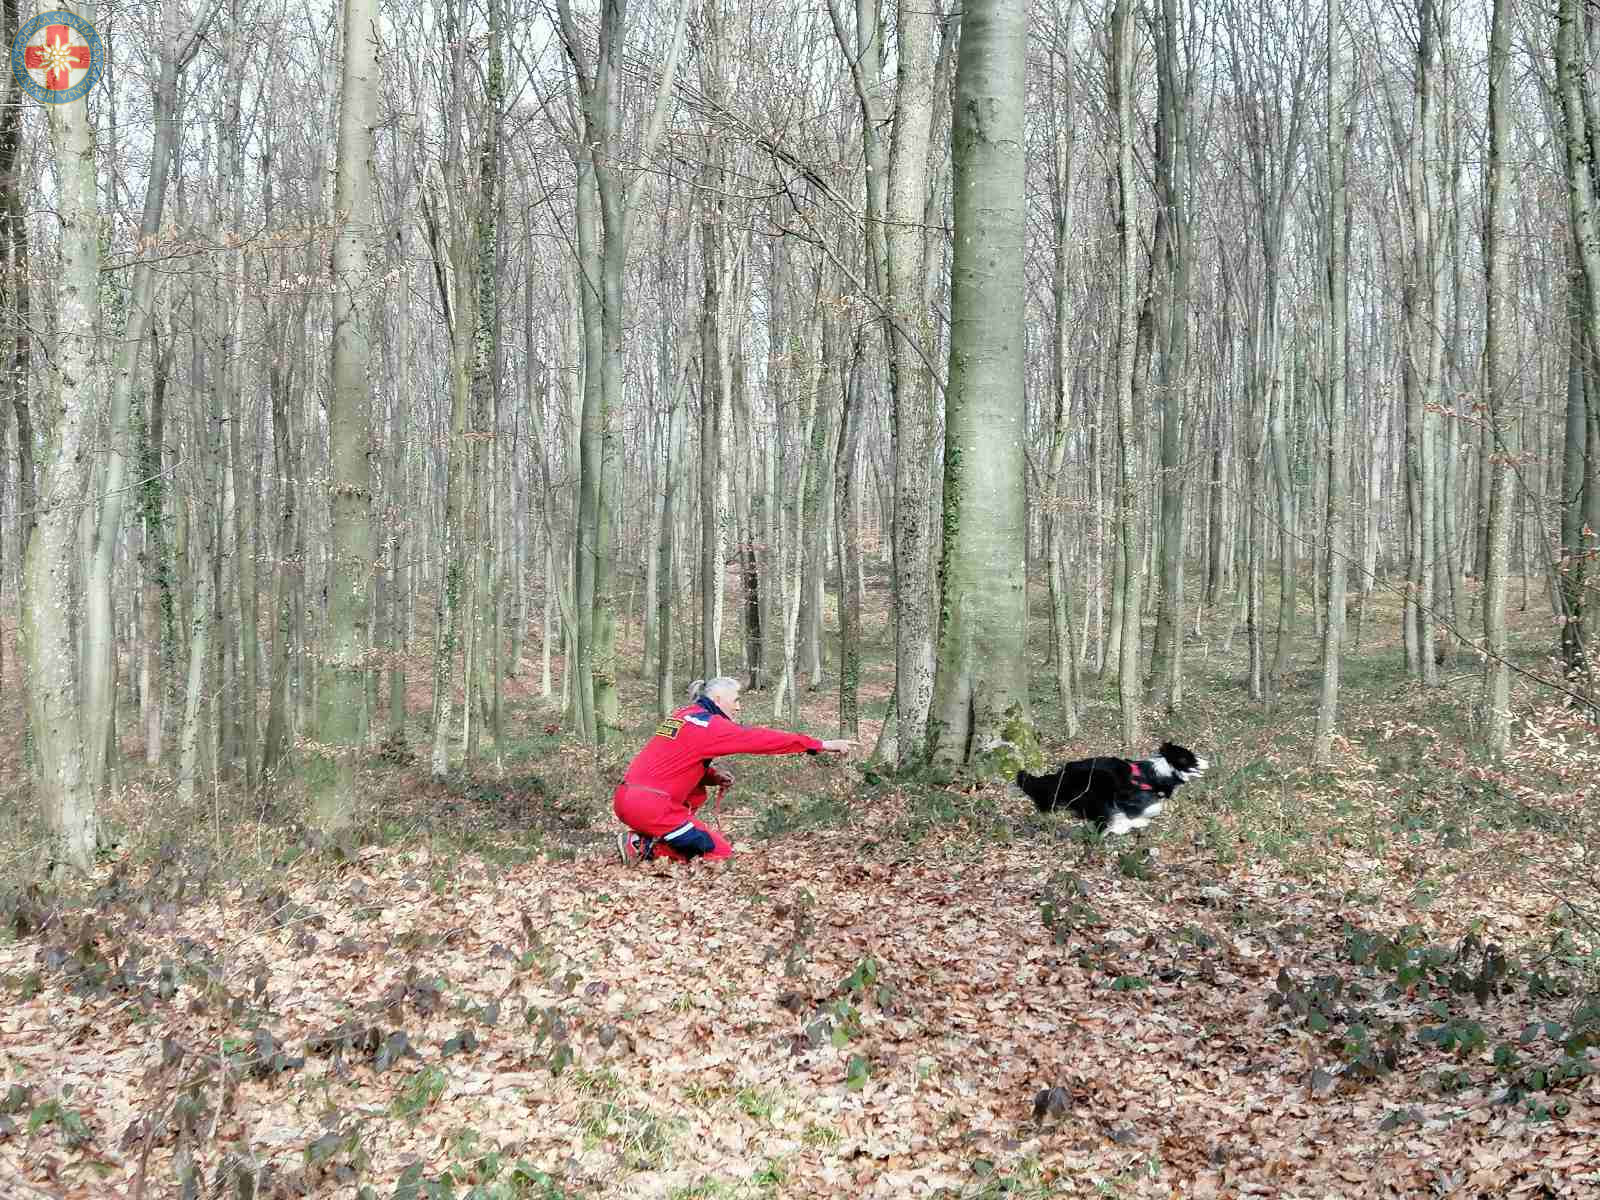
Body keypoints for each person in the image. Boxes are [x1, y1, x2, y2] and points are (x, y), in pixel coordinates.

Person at [613, 676, 853, 865]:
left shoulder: (683, 716)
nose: (739, 707)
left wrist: (711, 776)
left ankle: (643, 842)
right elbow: (760, 739)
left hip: (626, 799)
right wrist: (818, 744)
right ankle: (643, 846)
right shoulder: (710, 725)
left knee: (699, 843)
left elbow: (672, 761)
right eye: (736, 700)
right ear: (718, 699)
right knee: (719, 852)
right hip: (652, 807)